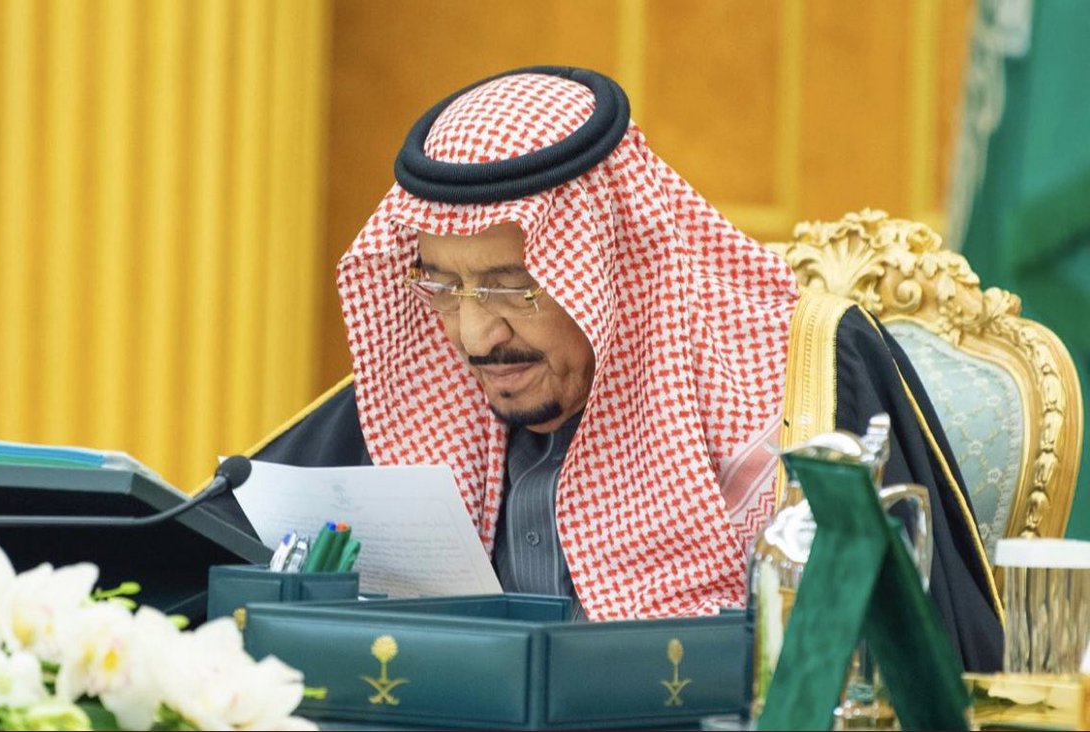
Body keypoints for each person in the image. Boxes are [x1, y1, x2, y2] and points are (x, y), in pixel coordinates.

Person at [228, 66, 1003, 672]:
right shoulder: (418, 386)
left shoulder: (802, 378)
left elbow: (908, 665)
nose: (475, 335)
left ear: (605, 267)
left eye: (511, 286)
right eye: (445, 286)